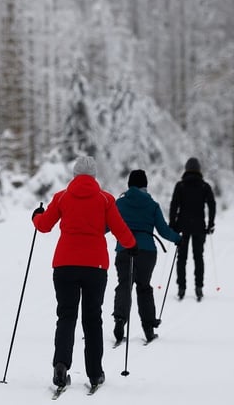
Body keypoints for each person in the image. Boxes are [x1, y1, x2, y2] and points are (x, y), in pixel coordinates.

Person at [32, 155, 137, 389]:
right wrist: (132, 246)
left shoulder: (61, 197)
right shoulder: (106, 200)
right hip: (95, 268)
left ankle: (60, 365)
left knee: (66, 317)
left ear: (75, 174)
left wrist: (36, 217)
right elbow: (120, 229)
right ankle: (94, 373)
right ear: (94, 176)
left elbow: (44, 226)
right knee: (92, 320)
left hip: (64, 266)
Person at [112, 169, 182, 344]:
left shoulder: (119, 204)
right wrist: (178, 239)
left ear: (129, 185)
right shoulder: (153, 205)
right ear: (145, 186)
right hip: (147, 252)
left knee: (124, 285)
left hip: (124, 250)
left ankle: (120, 320)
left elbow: (107, 225)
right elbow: (163, 231)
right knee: (144, 287)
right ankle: (149, 328)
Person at [168, 157, 217, 302]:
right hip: (199, 227)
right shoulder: (204, 186)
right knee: (198, 257)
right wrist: (211, 223)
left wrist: (172, 224)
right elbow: (212, 205)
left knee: (181, 258)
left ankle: (181, 288)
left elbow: (174, 205)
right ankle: (199, 288)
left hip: (182, 227)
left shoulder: (180, 186)